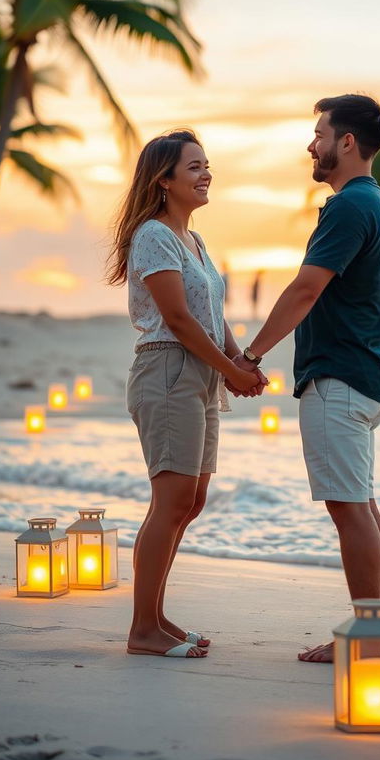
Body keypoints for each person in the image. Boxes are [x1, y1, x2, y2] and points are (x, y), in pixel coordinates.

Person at [232, 94, 380, 663]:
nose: (313, 143)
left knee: (349, 509)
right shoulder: (377, 204)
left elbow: (306, 289)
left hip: (339, 375)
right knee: (362, 506)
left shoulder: (351, 207)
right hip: (366, 377)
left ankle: (372, 639)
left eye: (320, 133)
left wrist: (250, 355)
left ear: (346, 142)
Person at [106, 129, 264, 659]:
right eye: (193, 167)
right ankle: (142, 630)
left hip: (201, 373)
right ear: (164, 180)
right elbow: (175, 318)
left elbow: (209, 316)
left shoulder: (194, 240)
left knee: (190, 500)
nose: (205, 173)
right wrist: (230, 370)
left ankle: (156, 617)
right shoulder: (153, 235)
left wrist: (242, 362)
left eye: (206, 164)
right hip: (168, 371)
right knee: (170, 500)